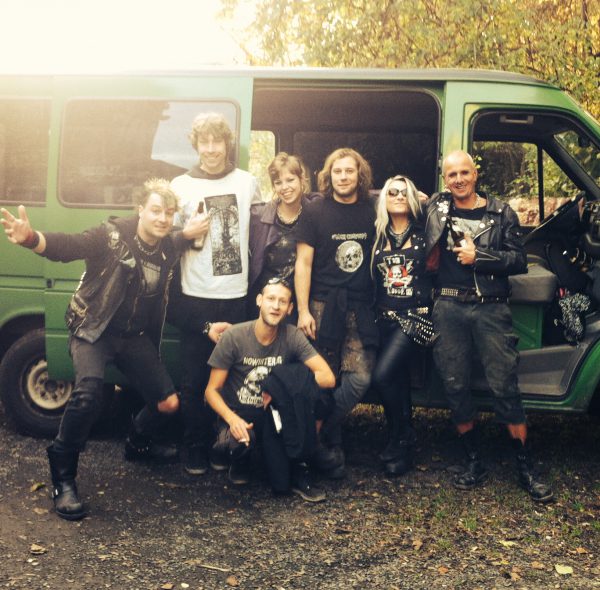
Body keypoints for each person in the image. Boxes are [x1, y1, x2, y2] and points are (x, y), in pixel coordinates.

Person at [0, 179, 209, 520]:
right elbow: (68, 246)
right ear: (140, 210)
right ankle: (63, 479)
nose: (162, 218)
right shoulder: (110, 236)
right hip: (94, 329)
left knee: (169, 404)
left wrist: (189, 232)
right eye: (155, 210)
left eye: (169, 213)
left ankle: (137, 443)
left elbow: (178, 237)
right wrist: (31, 239)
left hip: (133, 337)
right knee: (88, 394)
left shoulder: (167, 247)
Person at [425, 150, 553, 503]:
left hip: (490, 307)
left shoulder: (501, 212)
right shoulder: (436, 207)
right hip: (448, 306)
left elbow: (519, 260)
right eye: (452, 175)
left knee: (504, 385)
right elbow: (396, 197)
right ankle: (473, 461)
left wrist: (479, 257)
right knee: (454, 384)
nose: (459, 180)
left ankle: (525, 466)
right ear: (445, 179)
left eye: (464, 172)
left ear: (475, 173)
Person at [169, 112, 262, 476]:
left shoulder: (247, 182)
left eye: (216, 141)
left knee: (234, 378)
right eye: (204, 142)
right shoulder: (180, 185)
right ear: (196, 146)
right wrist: (185, 233)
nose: (210, 149)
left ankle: (225, 444)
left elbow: (277, 217)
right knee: (194, 379)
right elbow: (164, 237)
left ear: (227, 144)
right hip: (195, 294)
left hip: (237, 296)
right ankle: (194, 445)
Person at [205, 278, 335, 501]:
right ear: (259, 300)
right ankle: (239, 460)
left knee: (321, 397)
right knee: (238, 443)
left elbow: (327, 378)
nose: (276, 306)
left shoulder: (292, 335)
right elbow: (211, 391)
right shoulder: (235, 336)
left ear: (290, 308)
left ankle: (299, 466)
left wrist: (278, 386)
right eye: (271, 299)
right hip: (241, 413)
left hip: (274, 413)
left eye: (282, 301)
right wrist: (232, 419)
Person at [294, 147, 378, 478]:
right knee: (323, 379)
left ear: (360, 175)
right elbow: (303, 263)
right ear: (328, 176)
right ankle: (327, 445)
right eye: (337, 171)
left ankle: (320, 430)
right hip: (321, 307)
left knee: (360, 380)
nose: (343, 177)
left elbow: (403, 202)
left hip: (360, 306)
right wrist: (303, 310)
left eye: (349, 171)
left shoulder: (373, 209)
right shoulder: (314, 211)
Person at [371, 175, 434, 476]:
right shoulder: (376, 234)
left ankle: (403, 435)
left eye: (404, 192)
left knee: (382, 376)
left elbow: (447, 208)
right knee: (397, 380)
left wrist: (427, 201)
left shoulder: (426, 231)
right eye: (392, 192)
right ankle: (399, 442)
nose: (398, 196)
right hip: (383, 318)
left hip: (415, 318)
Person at [248, 152, 321, 321]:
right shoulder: (259, 217)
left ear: (302, 179)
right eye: (278, 182)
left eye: (290, 180)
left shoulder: (316, 212)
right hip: (267, 300)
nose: (284, 187)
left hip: (303, 302)